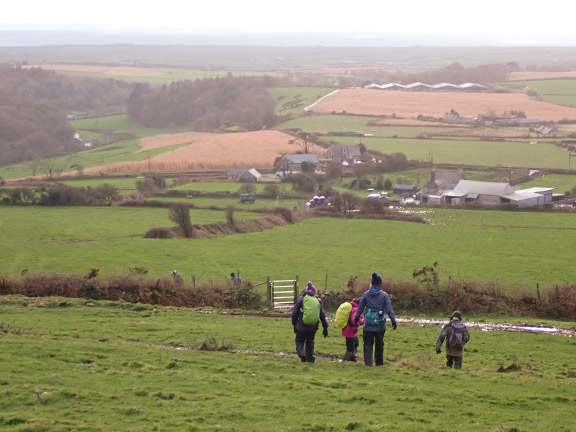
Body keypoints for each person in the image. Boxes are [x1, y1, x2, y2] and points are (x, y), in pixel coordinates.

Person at [354, 272, 397, 366]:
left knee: (368, 343)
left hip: (368, 325)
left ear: (372, 283)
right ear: (380, 284)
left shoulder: (365, 295)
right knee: (379, 344)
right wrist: (393, 321)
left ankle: (368, 362)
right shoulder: (384, 295)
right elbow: (389, 310)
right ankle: (379, 363)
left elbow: (360, 308)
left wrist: (357, 318)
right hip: (380, 325)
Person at [291, 282, 329, 363]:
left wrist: (294, 324)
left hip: (301, 326)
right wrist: (325, 327)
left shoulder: (301, 299)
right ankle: (310, 358)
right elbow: (322, 315)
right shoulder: (318, 300)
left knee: (299, 340)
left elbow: (295, 314)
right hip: (313, 327)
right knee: (310, 342)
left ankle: (301, 353)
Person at [342, 298, 363, 362]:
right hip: (350, 330)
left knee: (355, 343)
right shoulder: (356, 309)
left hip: (349, 330)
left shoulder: (352, 307)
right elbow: (355, 320)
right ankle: (346, 359)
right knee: (350, 347)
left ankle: (352, 357)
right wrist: (363, 321)